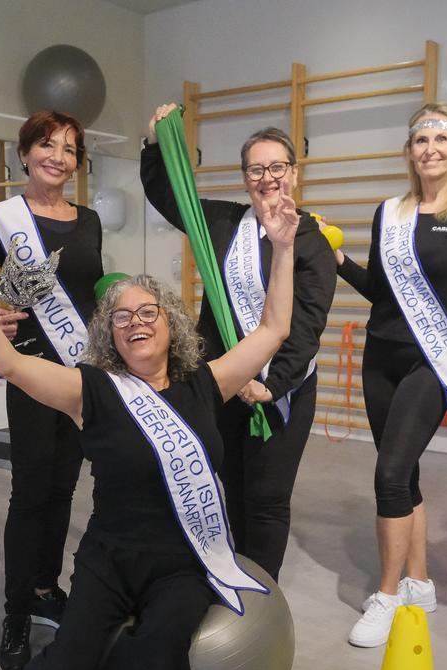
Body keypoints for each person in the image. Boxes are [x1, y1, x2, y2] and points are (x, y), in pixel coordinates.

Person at [0, 183, 299, 670]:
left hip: (184, 563)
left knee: (160, 648)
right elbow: (8, 361)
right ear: (110, 334)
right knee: (74, 650)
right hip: (109, 555)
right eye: (121, 316)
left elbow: (275, 327)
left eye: (147, 312)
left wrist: (282, 249)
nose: (135, 323)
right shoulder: (92, 392)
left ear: (170, 324)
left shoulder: (206, 384)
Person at [140, 104, 335, 581]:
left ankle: (261, 598)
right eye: (256, 168)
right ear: (245, 176)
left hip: (279, 390)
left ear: (292, 172)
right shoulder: (225, 223)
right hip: (224, 384)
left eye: (276, 166)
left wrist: (272, 385)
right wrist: (154, 142)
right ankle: (235, 577)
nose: (267, 177)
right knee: (232, 485)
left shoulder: (311, 239)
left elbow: (308, 323)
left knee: (267, 498)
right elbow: (168, 195)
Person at [335, 102, 447, 647]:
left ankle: (386, 595)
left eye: (440, 138)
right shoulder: (390, 212)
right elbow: (382, 294)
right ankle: (420, 583)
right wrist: (339, 263)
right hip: (380, 357)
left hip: (432, 362)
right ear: (409, 152)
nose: (430, 148)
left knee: (387, 475)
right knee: (403, 476)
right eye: (419, 140)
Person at [0, 110, 102, 670]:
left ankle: (44, 588)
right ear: (25, 154)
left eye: (68, 148)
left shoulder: (88, 221)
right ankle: (15, 610)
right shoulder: (2, 218)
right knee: (30, 490)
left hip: (84, 372)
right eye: (46, 145)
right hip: (34, 370)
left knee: (63, 489)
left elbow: (90, 293)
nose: (57, 156)